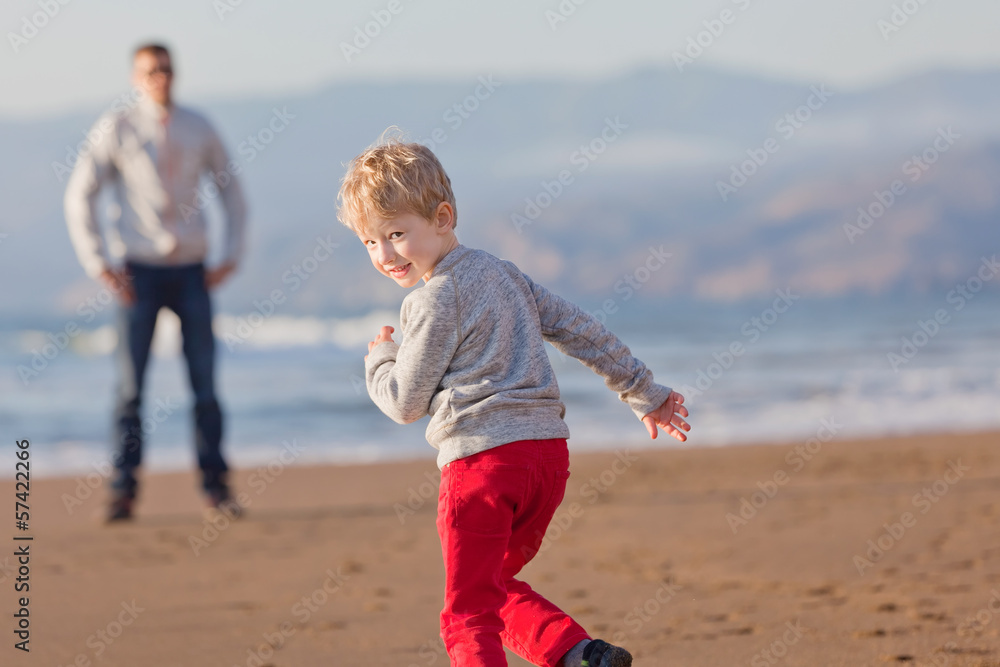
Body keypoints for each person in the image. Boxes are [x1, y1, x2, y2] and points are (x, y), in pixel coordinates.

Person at [337, 134, 690, 667]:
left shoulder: (433, 299)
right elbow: (578, 329)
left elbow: (404, 401)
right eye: (369, 242)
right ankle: (579, 654)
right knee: (493, 584)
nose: (384, 255)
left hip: (481, 469)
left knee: (466, 614)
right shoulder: (504, 273)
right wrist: (644, 391)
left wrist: (380, 358)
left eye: (396, 233)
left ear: (443, 217)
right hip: (547, 462)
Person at [64, 43, 248, 522]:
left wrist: (231, 258)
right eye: (149, 70)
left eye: (165, 68)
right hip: (138, 273)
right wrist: (98, 262)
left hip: (191, 271)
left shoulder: (198, 125)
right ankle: (123, 492)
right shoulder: (117, 127)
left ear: (175, 72)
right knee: (129, 389)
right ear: (134, 77)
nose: (159, 76)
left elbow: (232, 193)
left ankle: (216, 490)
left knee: (204, 386)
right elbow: (80, 193)